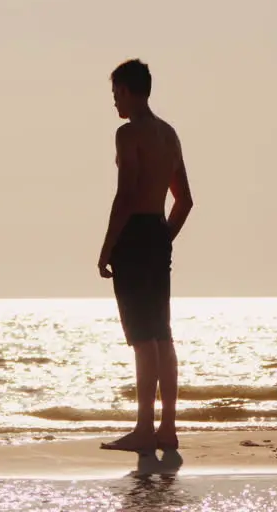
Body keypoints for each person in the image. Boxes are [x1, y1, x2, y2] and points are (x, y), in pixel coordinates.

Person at [97, 59, 194, 453]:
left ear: (130, 90)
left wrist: (106, 249)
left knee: (142, 338)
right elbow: (184, 201)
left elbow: (126, 195)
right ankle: (166, 427)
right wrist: (164, 239)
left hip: (135, 235)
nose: (114, 102)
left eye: (116, 93)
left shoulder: (128, 134)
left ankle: (142, 429)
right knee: (162, 335)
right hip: (156, 231)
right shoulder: (169, 135)